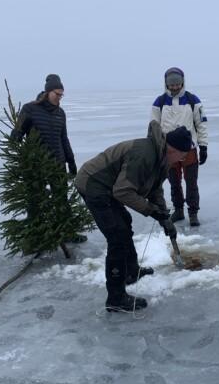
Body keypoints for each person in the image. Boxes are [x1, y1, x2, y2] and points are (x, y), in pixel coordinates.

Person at [75, 123, 192, 313]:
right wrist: (151, 210)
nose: (184, 158)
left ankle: (130, 271)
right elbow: (123, 191)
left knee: (125, 223)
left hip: (107, 187)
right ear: (173, 149)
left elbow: (155, 190)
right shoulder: (145, 154)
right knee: (117, 237)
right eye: (183, 154)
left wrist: (164, 218)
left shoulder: (161, 158)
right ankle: (116, 298)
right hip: (94, 185)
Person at [12, 73, 87, 243]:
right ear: (48, 92)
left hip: (58, 162)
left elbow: (64, 138)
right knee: (35, 200)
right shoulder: (29, 109)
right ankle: (36, 236)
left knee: (61, 199)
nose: (60, 98)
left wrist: (72, 162)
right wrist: (15, 139)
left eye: (62, 95)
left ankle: (67, 233)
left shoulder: (60, 113)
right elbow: (17, 133)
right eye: (57, 94)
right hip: (36, 164)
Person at [151, 67, 208, 227]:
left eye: (178, 84)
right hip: (168, 151)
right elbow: (154, 126)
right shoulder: (160, 102)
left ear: (182, 82)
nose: (175, 87)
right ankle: (178, 210)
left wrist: (203, 146)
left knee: (191, 183)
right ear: (166, 84)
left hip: (189, 149)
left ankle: (193, 212)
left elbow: (201, 124)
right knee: (174, 183)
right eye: (171, 85)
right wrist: (156, 148)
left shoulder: (192, 100)